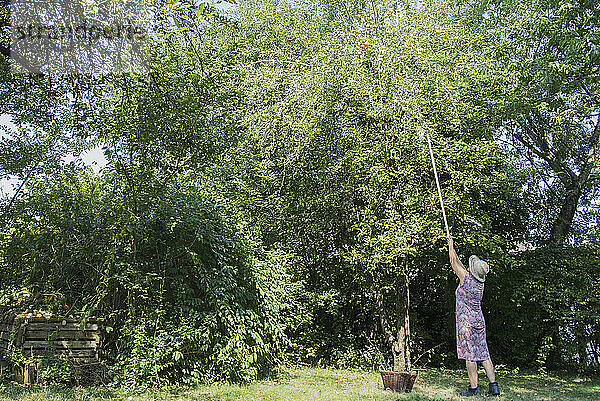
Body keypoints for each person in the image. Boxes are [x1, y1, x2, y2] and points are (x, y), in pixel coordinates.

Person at [448, 237, 500, 397]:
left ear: (472, 271)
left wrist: (449, 246)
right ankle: (494, 387)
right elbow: (459, 264)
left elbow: (453, 263)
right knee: (483, 353)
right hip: (478, 321)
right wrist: (453, 248)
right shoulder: (479, 283)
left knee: (470, 355)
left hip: (467, 323)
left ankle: (474, 388)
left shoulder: (466, 279)